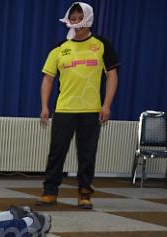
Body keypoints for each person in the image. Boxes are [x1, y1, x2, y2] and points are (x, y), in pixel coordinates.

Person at [38, 2, 119, 209]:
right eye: (72, 19)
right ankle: (50, 192)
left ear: (89, 19)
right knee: (57, 152)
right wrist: (45, 106)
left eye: (80, 18)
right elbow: (48, 78)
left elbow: (112, 76)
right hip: (64, 109)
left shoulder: (102, 45)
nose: (76, 23)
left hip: (91, 110)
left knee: (87, 154)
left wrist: (106, 105)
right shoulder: (60, 48)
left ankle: (84, 193)